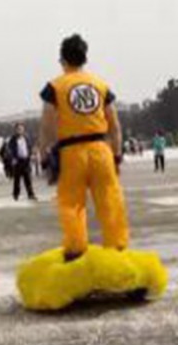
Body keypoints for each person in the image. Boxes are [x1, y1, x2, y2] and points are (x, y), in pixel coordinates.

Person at [37, 34, 128, 262]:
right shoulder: (101, 85)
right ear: (84, 58)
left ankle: (76, 251)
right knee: (110, 202)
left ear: (63, 60)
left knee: (72, 204)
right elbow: (115, 126)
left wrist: (44, 158)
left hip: (71, 153)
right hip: (101, 150)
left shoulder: (55, 86)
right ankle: (117, 250)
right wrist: (116, 157)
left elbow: (47, 126)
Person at [10, 124, 37, 201]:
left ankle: (31, 194)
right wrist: (13, 158)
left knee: (28, 178)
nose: (20, 130)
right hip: (17, 161)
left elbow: (30, 147)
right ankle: (16, 194)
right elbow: (10, 150)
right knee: (17, 179)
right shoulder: (13, 139)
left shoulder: (26, 138)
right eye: (18, 129)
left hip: (26, 161)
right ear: (15, 130)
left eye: (21, 129)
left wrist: (32, 155)